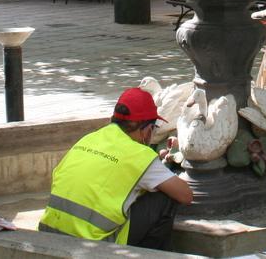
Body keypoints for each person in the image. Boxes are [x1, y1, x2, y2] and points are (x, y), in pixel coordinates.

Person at [39, 87, 193, 249]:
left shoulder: (88, 139)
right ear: (147, 131)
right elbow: (185, 195)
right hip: (94, 246)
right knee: (164, 199)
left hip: (49, 234)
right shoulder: (139, 155)